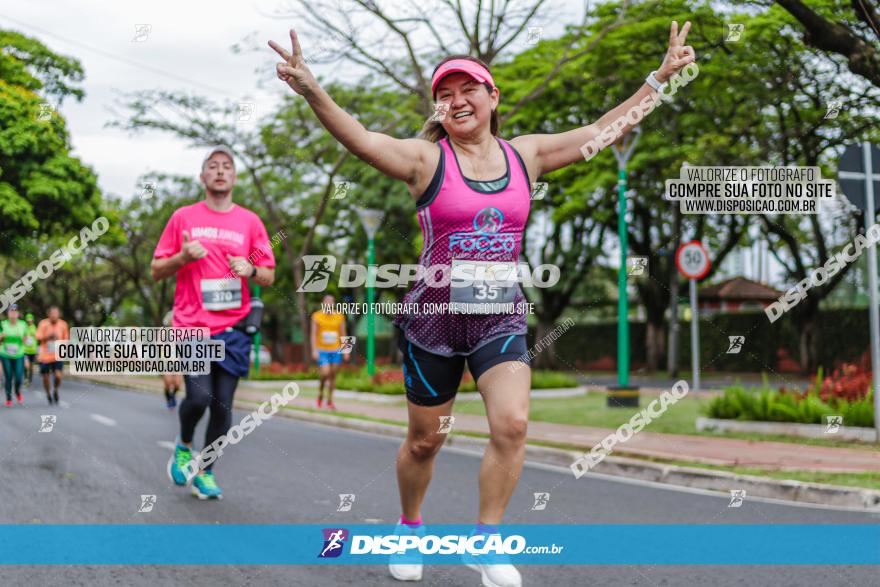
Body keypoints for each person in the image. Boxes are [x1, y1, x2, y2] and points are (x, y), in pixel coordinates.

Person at [270, 22, 695, 586]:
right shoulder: (426, 160)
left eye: (467, 88)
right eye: (443, 94)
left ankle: (486, 539)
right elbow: (362, 139)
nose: (455, 100)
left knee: (513, 425)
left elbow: (600, 130)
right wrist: (313, 90)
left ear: (493, 98)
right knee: (426, 441)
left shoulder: (527, 156)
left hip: (499, 317)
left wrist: (658, 80)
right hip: (433, 324)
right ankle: (411, 527)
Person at [152, 145, 276, 500]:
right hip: (192, 325)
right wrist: (181, 256)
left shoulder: (250, 221)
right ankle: (184, 443)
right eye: (213, 166)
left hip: (234, 328)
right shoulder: (183, 218)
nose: (220, 171)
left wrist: (251, 269)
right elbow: (156, 270)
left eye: (226, 166)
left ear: (234, 177)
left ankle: (206, 472)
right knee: (198, 398)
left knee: (223, 406)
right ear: (203, 176)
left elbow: (268, 275)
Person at [310, 294, 349, 410]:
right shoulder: (316, 316)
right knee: (325, 373)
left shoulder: (339, 316)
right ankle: (320, 394)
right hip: (322, 350)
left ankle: (330, 401)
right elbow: (313, 335)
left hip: (336, 349)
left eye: (331, 302)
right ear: (323, 304)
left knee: (332, 376)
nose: (329, 304)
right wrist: (314, 350)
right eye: (326, 302)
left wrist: (346, 351)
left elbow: (343, 333)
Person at [36, 306, 69, 405]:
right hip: (45, 356)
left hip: (57, 355)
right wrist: (48, 337)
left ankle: (55, 389)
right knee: (46, 378)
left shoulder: (63, 324)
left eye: (56, 313)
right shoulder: (43, 324)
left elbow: (66, 339)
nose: (54, 315)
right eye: (53, 313)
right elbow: (38, 337)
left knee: (58, 376)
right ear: (49, 314)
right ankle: (48, 393)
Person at [0, 305, 27, 407]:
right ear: (8, 314)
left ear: (18, 314)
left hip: (19, 354)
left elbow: (26, 339)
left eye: (15, 312)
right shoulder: (3, 324)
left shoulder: (23, 324)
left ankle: (17, 391)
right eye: (11, 312)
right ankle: (9, 399)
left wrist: (25, 340)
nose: (13, 314)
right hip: (5, 354)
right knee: (8, 377)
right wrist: (2, 337)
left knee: (19, 377)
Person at [161, 310, 183, 409]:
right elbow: (159, 344)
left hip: (179, 361)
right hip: (166, 360)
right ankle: (169, 398)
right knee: (168, 382)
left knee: (177, 384)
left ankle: (173, 395)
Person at [22, 313, 38, 387]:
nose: (29, 322)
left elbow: (37, 338)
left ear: (32, 320)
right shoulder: (24, 327)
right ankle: (26, 378)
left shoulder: (34, 327)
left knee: (31, 366)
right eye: (28, 320)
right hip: (25, 350)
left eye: (30, 320)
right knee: (26, 365)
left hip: (33, 350)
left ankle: (30, 379)